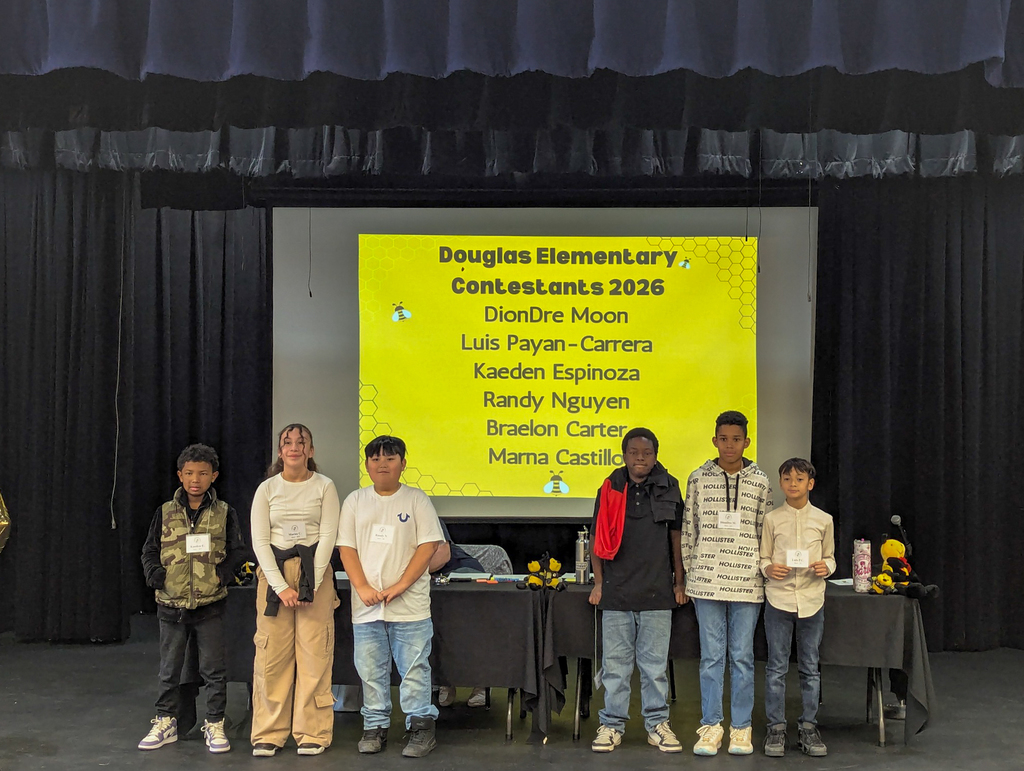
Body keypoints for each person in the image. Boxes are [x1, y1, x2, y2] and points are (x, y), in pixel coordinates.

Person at [337, 435, 445, 758]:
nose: (382, 464)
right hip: (367, 607)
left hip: (409, 605)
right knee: (370, 670)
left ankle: (421, 728)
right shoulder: (355, 501)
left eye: (390, 458)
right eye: (375, 459)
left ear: (403, 463)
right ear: (367, 465)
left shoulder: (417, 500)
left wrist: (401, 585)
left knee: (414, 669)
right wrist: (364, 588)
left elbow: (428, 547)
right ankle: (375, 726)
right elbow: (347, 549)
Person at [139, 443, 246, 754]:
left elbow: (238, 551)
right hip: (171, 604)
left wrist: (221, 575)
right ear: (179, 475)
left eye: (202, 473)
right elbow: (148, 551)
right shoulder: (164, 511)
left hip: (210, 604)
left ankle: (214, 723)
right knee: (169, 668)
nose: (195, 479)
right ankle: (165, 721)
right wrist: (156, 576)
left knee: (214, 668)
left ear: (214, 476)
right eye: (189, 473)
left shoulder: (225, 512)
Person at [588, 428, 687, 754]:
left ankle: (657, 724)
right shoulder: (610, 487)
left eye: (646, 453)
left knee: (654, 669)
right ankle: (612, 725)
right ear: (624, 454)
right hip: (617, 592)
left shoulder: (669, 487)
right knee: (615, 668)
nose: (640, 458)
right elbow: (596, 539)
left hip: (658, 592)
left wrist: (679, 581)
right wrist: (600, 584)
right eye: (634, 452)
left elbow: (677, 539)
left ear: (655, 455)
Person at [681, 411, 771, 756]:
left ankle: (741, 728)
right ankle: (711, 727)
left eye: (736, 439)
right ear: (714, 440)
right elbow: (689, 529)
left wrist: (762, 572)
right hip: (706, 582)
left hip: (748, 582)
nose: (729, 444)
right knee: (711, 658)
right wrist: (691, 573)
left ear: (746, 442)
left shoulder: (761, 481)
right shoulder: (698, 478)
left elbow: (765, 532)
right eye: (723, 438)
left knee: (743, 658)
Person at [249, 424, 341, 757]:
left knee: (315, 654)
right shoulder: (267, 489)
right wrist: (280, 586)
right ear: (279, 451)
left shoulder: (325, 486)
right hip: (275, 576)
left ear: (311, 451)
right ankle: (268, 733)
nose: (294, 448)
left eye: (301, 443)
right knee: (272, 656)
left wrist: (311, 584)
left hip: (314, 570)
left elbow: (329, 536)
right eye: (287, 443)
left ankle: (312, 732)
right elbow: (260, 542)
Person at [760, 458, 834, 757]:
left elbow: (831, 557)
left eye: (799, 479)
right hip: (778, 599)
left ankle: (808, 727)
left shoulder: (823, 519)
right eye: (788, 479)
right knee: (776, 668)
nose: (793, 484)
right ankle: (776, 728)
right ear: (781, 483)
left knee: (810, 669)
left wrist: (824, 566)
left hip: (811, 600)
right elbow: (763, 557)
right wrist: (769, 569)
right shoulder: (772, 519)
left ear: (810, 484)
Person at [429, 520, 487, 708]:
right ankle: (446, 680)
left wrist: (408, 575)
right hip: (428, 582)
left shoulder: (424, 512)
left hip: (460, 572)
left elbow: (442, 554)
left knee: (462, 627)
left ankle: (481, 683)